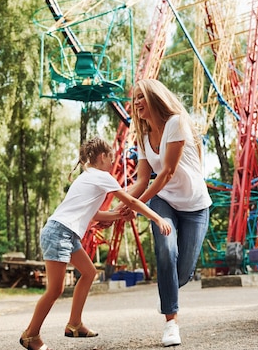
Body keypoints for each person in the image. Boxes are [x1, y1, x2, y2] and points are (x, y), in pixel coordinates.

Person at [19, 137, 172, 350]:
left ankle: (74, 324)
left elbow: (95, 215)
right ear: (103, 157)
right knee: (55, 290)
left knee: (89, 273)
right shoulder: (102, 176)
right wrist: (157, 218)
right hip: (60, 233)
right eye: (111, 158)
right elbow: (132, 201)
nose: (112, 163)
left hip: (66, 233)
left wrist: (119, 217)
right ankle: (30, 335)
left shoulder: (87, 177)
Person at [121, 79, 212, 347]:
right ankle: (171, 324)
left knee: (181, 273)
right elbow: (141, 181)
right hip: (163, 201)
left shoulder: (177, 122)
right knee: (166, 251)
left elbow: (167, 172)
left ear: (154, 97)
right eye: (134, 98)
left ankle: (168, 291)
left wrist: (134, 206)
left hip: (195, 206)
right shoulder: (143, 136)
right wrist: (118, 204)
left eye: (140, 97)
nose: (136, 102)